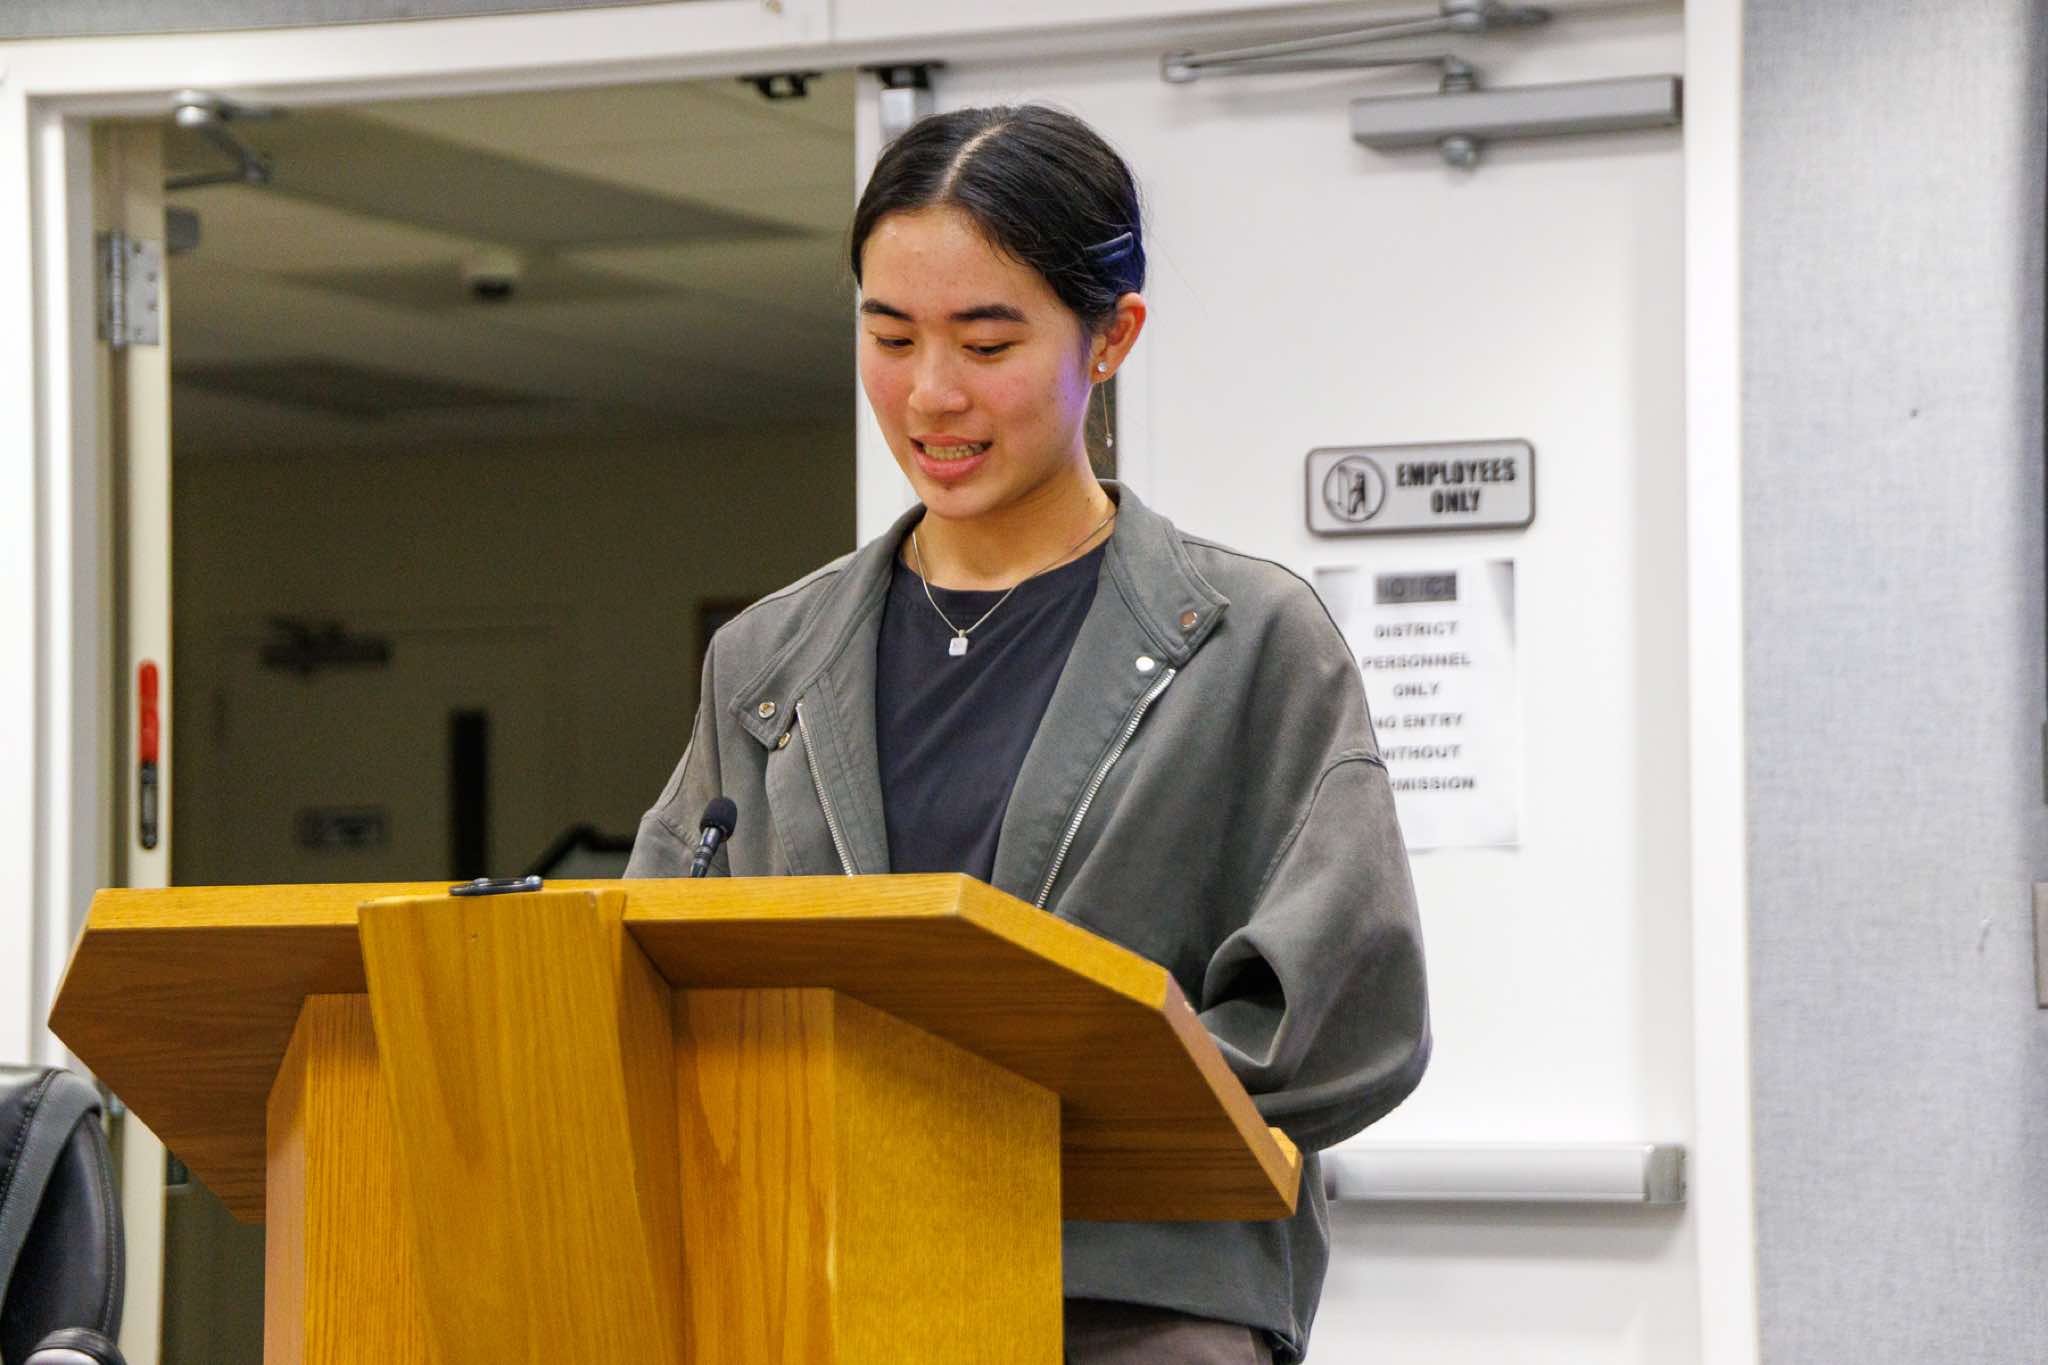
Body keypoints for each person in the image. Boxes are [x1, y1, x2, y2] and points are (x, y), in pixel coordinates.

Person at [626, 103, 1429, 1365]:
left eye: (986, 342)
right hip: (820, 1297)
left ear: (1111, 336)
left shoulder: (1251, 641)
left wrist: (1006, 1126)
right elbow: (651, 974)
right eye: (889, 336)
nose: (930, 393)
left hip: (1133, 1310)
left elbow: (1346, 1021)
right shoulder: (767, 662)